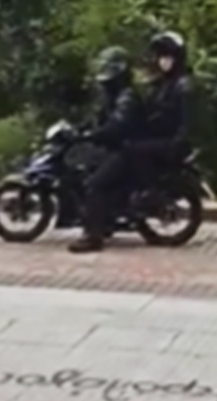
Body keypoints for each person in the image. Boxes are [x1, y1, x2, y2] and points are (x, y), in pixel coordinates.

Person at [69, 47, 146, 254]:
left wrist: (95, 135)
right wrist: (80, 129)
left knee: (94, 185)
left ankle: (93, 236)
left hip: (126, 150)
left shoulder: (127, 98)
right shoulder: (114, 97)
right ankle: (105, 219)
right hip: (116, 148)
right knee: (84, 168)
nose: (105, 79)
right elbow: (100, 119)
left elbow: (117, 127)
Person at [132, 31, 194, 178]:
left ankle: (150, 186)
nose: (162, 60)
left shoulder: (184, 85)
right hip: (160, 138)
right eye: (160, 55)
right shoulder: (163, 84)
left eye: (167, 55)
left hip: (174, 143)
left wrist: (177, 144)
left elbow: (188, 122)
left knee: (130, 150)